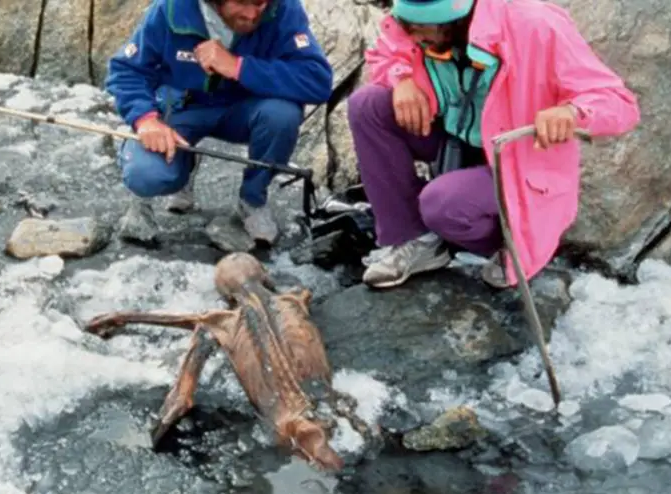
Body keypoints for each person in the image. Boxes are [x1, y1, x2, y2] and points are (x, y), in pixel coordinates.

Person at [347, 0, 640, 289]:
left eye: (423, 28)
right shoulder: (409, 24)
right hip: (453, 141)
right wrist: (402, 80)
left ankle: (509, 248)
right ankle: (414, 239)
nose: (413, 37)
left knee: (441, 204)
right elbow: (388, 51)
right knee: (367, 105)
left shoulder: (536, 24)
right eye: (409, 25)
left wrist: (572, 113)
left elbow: (619, 102)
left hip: (518, 162)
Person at [105, 0, 333, 244]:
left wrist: (239, 67)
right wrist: (145, 120)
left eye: (260, 3)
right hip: (182, 109)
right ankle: (164, 180)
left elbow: (317, 81)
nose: (252, 14)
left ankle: (252, 200)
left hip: (245, 109)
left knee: (283, 115)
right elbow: (126, 71)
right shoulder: (171, 9)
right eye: (242, 3)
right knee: (146, 175)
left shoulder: (283, 8)